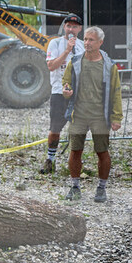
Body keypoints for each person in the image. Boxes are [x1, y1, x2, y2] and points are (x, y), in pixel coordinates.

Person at [61, 26, 123, 202]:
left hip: (100, 116)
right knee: (75, 151)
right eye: (85, 39)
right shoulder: (76, 61)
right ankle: (74, 187)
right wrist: (67, 90)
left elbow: (116, 92)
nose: (86, 43)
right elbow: (66, 81)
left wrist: (116, 117)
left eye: (91, 40)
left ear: (100, 42)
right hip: (78, 115)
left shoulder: (109, 66)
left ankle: (101, 189)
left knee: (102, 151)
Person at [40, 13, 84, 173]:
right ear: (64, 27)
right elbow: (51, 66)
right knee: (55, 129)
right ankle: (50, 160)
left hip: (78, 94)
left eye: (74, 26)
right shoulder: (55, 43)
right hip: (59, 92)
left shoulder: (83, 45)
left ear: (79, 28)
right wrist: (66, 51)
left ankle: (76, 162)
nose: (71, 29)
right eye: (68, 26)